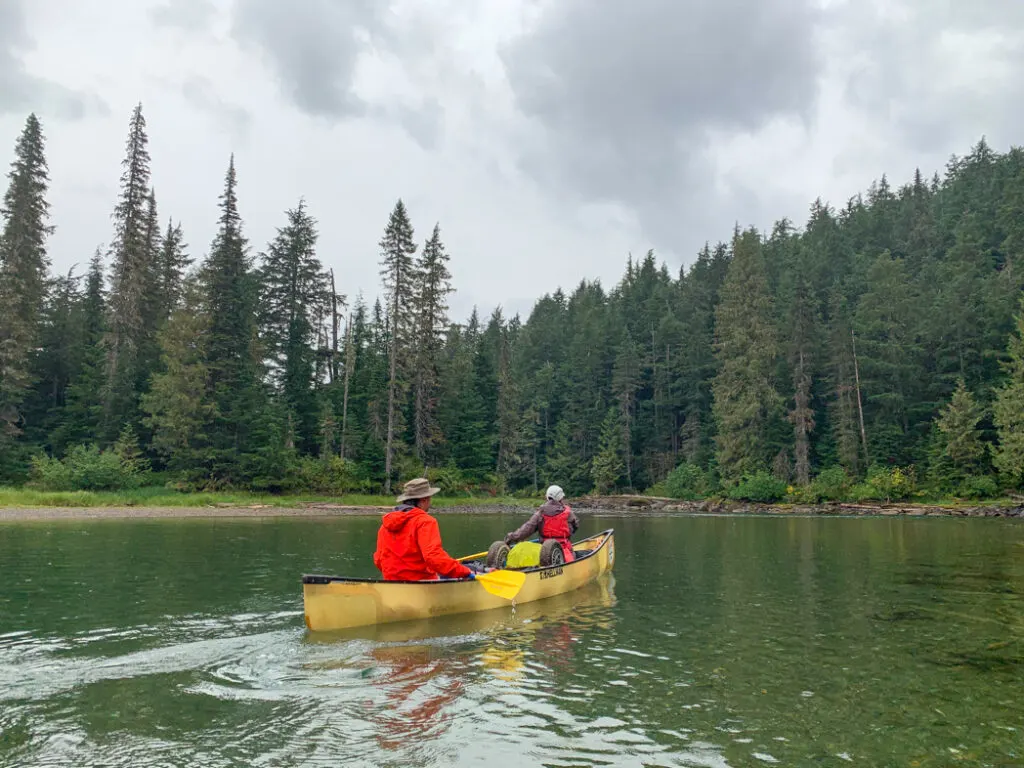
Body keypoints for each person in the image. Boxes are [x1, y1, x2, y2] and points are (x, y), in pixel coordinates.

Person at [373, 477, 487, 581]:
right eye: (429, 499)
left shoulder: (385, 525)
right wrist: (466, 572)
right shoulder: (425, 521)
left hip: (391, 582)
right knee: (466, 570)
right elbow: (434, 558)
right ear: (424, 500)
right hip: (422, 583)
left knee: (448, 569)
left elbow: (378, 560)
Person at [504, 485, 579, 563]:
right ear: (560, 498)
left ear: (547, 497)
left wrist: (511, 537)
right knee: (573, 555)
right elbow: (575, 526)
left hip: (544, 549)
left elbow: (526, 529)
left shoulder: (540, 513)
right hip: (564, 549)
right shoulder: (568, 512)